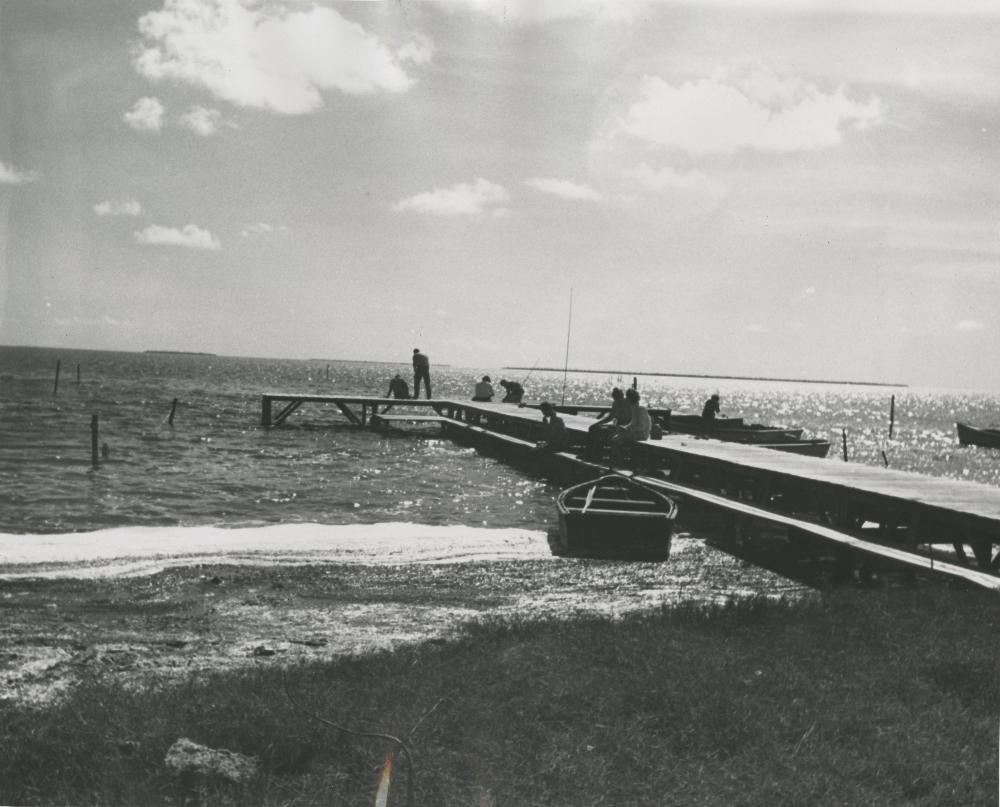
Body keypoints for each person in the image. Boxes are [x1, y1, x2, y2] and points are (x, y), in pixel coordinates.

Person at [582, 387, 630, 460]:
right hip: (616, 426)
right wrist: (598, 424)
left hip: (623, 428)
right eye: (615, 398)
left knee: (601, 433)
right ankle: (587, 453)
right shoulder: (615, 403)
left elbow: (628, 421)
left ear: (621, 396)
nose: (616, 400)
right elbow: (610, 417)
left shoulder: (627, 404)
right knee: (592, 428)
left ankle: (596, 456)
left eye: (617, 397)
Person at [609, 388, 651, 465]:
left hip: (643, 434)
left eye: (627, 397)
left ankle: (620, 462)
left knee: (615, 440)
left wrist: (629, 430)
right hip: (635, 433)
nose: (626, 399)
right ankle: (620, 460)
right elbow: (633, 422)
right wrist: (625, 427)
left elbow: (642, 427)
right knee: (615, 438)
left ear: (631, 398)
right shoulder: (634, 407)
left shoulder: (641, 409)